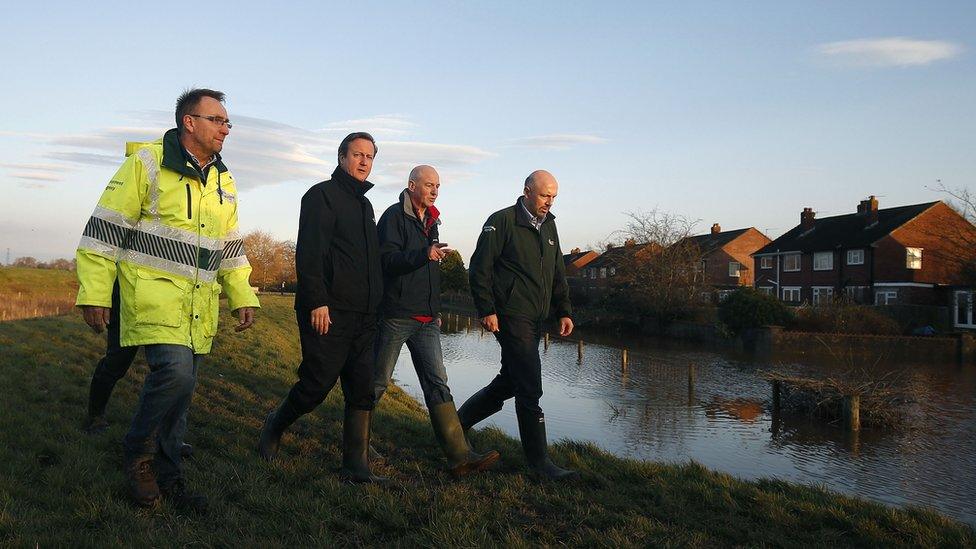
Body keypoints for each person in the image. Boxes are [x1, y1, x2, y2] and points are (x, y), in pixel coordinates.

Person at [75, 88, 259, 510]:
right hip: (152, 300)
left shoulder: (223, 180)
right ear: (189, 122)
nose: (226, 129)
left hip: (199, 306)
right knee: (175, 375)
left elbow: (228, 245)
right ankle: (138, 454)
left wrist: (241, 294)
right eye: (217, 120)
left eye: (228, 122)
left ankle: (169, 474)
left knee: (184, 391)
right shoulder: (145, 163)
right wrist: (96, 292)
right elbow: (104, 231)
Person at [257, 132, 386, 484]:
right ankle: (274, 424)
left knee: (362, 390)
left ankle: (355, 467)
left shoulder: (365, 205)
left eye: (369, 156)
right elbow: (310, 253)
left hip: (364, 316)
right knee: (315, 386)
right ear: (342, 156)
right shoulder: (321, 196)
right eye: (357, 154)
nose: (364, 161)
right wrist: (317, 300)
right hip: (330, 312)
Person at [371, 165, 500, 475]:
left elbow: (430, 273)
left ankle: (460, 456)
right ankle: (356, 440)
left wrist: (437, 311)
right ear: (411, 185)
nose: (434, 191)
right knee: (377, 382)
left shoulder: (432, 221)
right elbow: (384, 260)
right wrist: (423, 254)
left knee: (437, 383)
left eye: (438, 186)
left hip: (427, 319)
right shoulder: (393, 217)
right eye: (429, 185)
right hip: (395, 315)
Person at [456, 170, 579, 481]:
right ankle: (540, 464)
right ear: (527, 191)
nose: (549, 202)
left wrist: (563, 310)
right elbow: (479, 269)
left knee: (510, 381)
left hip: (536, 317)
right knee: (529, 386)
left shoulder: (550, 226)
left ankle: (456, 426)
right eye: (544, 195)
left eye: (553, 197)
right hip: (510, 315)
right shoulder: (502, 221)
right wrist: (487, 309)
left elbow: (556, 274)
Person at [82, 281, 193, 459]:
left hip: (168, 301)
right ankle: (96, 416)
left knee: (173, 372)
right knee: (116, 364)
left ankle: (170, 439)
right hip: (127, 296)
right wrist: (95, 297)